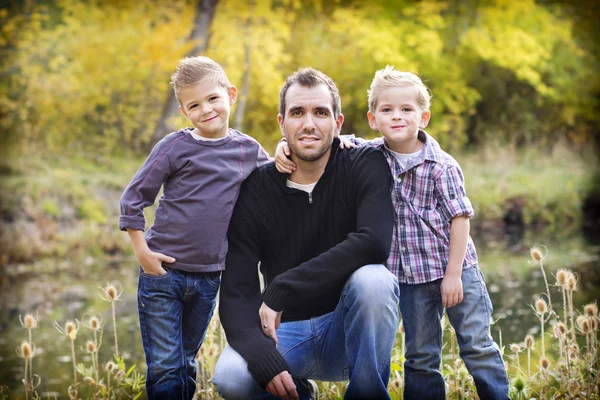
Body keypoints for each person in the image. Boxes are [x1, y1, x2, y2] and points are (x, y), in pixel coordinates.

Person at [277, 66, 509, 399]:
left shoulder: (441, 165)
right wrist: (282, 147)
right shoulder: (371, 156)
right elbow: (328, 141)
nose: (396, 116)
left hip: (456, 271)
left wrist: (454, 274)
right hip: (411, 279)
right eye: (387, 110)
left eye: (406, 109)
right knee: (421, 356)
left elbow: (460, 218)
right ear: (373, 119)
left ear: (423, 117)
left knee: (476, 344)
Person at [212, 67, 400, 400]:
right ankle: (298, 391)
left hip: (346, 334)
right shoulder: (256, 188)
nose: (309, 124)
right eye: (297, 112)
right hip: (284, 335)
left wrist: (283, 286)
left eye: (320, 112)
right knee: (231, 378)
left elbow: (374, 243)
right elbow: (238, 291)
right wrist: (262, 357)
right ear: (282, 122)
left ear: (338, 123)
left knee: (375, 280)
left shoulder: (364, 164)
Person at [118, 56, 271, 399]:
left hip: (208, 277)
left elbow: (277, 178)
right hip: (162, 274)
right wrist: (141, 252)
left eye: (213, 99)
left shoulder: (247, 150)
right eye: (195, 105)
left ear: (231, 94)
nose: (206, 110)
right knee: (165, 366)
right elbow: (134, 198)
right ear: (186, 113)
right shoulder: (174, 147)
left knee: (186, 362)